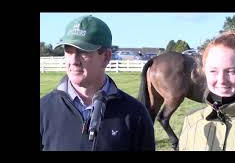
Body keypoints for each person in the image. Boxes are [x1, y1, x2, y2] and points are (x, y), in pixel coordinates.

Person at [40, 15, 155, 151]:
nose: (73, 60)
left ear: (106, 57)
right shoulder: (43, 110)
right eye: (68, 51)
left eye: (82, 51)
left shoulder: (135, 114)